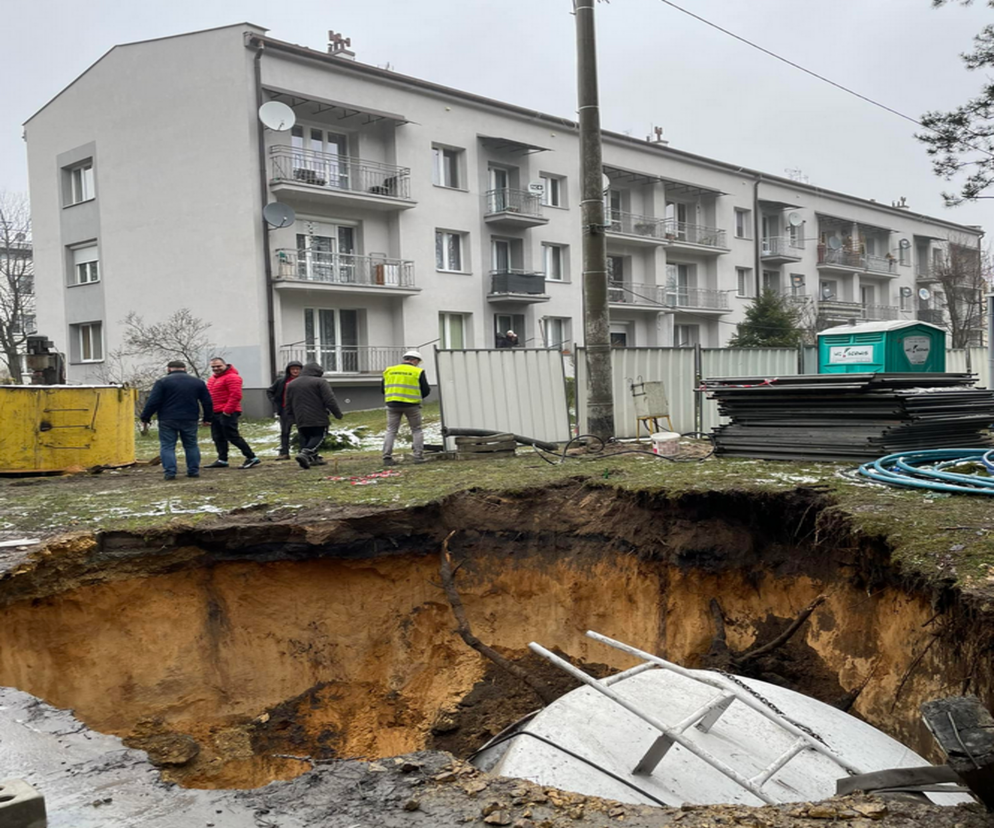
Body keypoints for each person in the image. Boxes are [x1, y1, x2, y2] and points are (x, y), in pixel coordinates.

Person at [139, 360, 213, 481]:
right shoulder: (197, 382)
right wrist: (208, 418)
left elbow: (153, 401)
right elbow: (207, 402)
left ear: (168, 369)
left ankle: (170, 472)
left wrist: (145, 417)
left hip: (167, 419)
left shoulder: (162, 382)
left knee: (167, 446)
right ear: (185, 368)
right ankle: (193, 471)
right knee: (191, 445)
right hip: (190, 418)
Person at [284, 362, 343, 469]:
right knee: (318, 436)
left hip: (300, 416)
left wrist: (291, 417)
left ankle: (313, 459)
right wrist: (337, 413)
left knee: (306, 437)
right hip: (317, 415)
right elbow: (329, 399)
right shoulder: (320, 382)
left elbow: (288, 402)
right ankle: (305, 454)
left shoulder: (292, 384)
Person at [206, 357, 260, 469]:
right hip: (215, 412)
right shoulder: (212, 379)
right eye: (213, 367)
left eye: (218, 366)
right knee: (218, 437)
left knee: (232, 436)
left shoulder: (233, 377)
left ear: (225, 365)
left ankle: (251, 457)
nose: (216, 369)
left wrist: (227, 411)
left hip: (228, 412)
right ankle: (222, 459)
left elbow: (236, 395)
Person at [381, 350, 431, 466]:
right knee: (416, 429)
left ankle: (387, 457)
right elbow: (426, 390)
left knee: (391, 430)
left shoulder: (389, 370)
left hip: (392, 404)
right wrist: (416, 396)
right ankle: (418, 456)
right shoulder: (417, 371)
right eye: (418, 362)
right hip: (412, 405)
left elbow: (382, 389)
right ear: (415, 360)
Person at [266, 360, 303, 460]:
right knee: (285, 432)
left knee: (303, 431)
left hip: (301, 410)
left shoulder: (304, 380)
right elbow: (270, 391)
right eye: (293, 369)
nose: (295, 371)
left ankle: (304, 452)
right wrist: (275, 402)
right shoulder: (282, 381)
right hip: (285, 410)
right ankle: (284, 452)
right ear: (289, 370)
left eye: (297, 369)